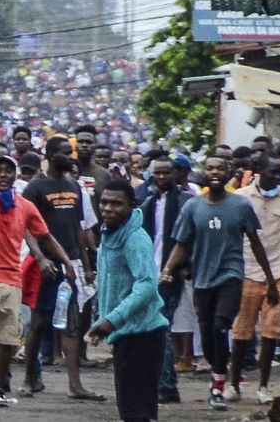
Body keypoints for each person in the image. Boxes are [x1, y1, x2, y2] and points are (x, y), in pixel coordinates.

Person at [160, 155, 279, 411]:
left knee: (219, 326)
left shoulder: (240, 205)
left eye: (220, 168)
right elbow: (182, 244)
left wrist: (270, 279)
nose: (215, 172)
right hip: (202, 280)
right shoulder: (192, 207)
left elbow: (255, 243)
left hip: (231, 275)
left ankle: (217, 387)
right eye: (210, 167)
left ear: (227, 173)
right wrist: (168, 269)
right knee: (207, 335)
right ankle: (217, 374)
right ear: (203, 172)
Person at [0, 149, 77, 408]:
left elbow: (45, 236)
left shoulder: (25, 206)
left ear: (15, 176)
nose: (3, 175)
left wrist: (67, 261)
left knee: (8, 338)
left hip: (11, 277)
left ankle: (0, 386)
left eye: (8, 171)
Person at [20, 151, 101, 400]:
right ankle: (29, 379)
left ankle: (74, 385)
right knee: (38, 322)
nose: (70, 155)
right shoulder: (35, 188)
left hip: (70, 264)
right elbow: (26, 227)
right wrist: (41, 258)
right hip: (44, 265)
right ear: (51, 155)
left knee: (71, 324)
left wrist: (85, 265)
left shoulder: (74, 186)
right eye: (65, 152)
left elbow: (79, 226)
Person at [87, 181, 169, 422]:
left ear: (131, 206)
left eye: (116, 204)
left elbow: (146, 286)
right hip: (125, 332)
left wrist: (112, 319)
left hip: (143, 334)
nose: (108, 209)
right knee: (132, 408)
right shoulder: (109, 234)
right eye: (104, 202)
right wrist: (104, 319)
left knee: (137, 411)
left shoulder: (135, 239)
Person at [229, 155, 280, 403]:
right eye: (272, 172)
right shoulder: (241, 197)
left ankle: (264, 386)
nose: (277, 178)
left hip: (277, 274)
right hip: (247, 271)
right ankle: (233, 384)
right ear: (258, 171)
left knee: (271, 334)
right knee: (241, 332)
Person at [138, 156, 194, 404]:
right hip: (150, 271)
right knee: (156, 328)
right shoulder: (148, 201)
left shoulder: (184, 201)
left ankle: (166, 386)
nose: (161, 177)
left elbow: (192, 238)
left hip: (171, 273)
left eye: (165, 173)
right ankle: (165, 385)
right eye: (157, 173)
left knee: (162, 327)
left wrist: (184, 266)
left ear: (175, 174)